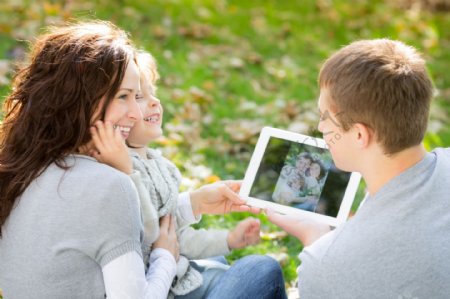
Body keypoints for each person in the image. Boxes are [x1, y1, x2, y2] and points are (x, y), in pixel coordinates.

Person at [0, 21, 279, 299]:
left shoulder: (21, 165)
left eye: (137, 96)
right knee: (261, 269)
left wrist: (192, 204)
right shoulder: (110, 184)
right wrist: (164, 257)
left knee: (208, 265)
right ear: (82, 100)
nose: (135, 113)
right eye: (124, 97)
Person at [90, 50, 287, 299]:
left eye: (153, 93)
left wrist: (228, 238)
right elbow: (151, 234)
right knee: (262, 269)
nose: (154, 102)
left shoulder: (157, 164)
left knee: (217, 259)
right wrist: (128, 174)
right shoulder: (118, 166)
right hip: (159, 286)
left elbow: (174, 235)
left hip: (174, 275)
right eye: (137, 97)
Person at [267, 39, 450, 298]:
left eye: (324, 117)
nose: (320, 128)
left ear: (359, 135)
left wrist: (315, 238)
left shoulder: (325, 265)